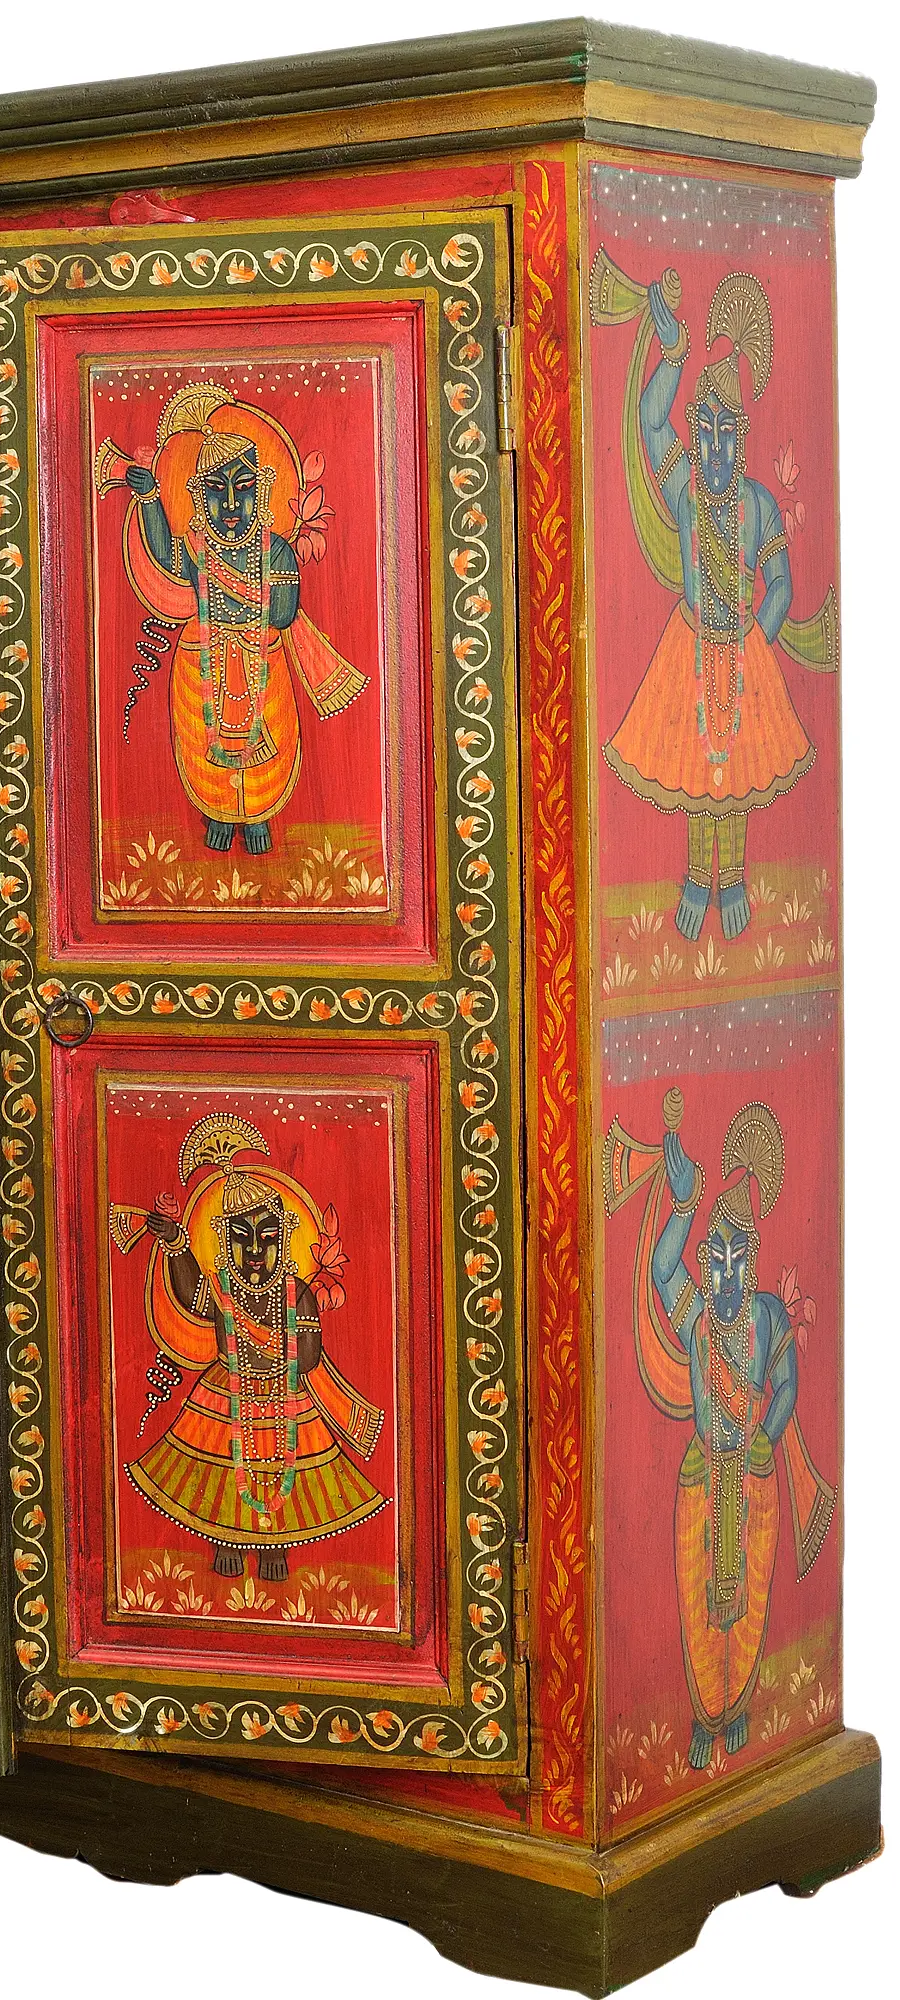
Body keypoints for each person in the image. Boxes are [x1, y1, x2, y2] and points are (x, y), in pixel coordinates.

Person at [606, 1093, 835, 1768]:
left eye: (739, 1260)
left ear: (753, 1260)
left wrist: (768, 1432)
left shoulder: (765, 1317)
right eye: (718, 1259)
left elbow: (788, 1385)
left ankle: (737, 1711)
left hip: (753, 1473)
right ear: (706, 1260)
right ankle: (706, 1715)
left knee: (750, 1599)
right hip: (702, 1474)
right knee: (698, 1601)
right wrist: (683, 1204)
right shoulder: (698, 1318)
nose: (727, 1273)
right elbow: (659, 1269)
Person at [601, 272, 817, 941]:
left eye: (727, 432)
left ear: (741, 436)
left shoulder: (757, 504)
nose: (716, 447)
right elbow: (648, 421)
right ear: (695, 434)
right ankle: (699, 877)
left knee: (742, 762)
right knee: (696, 762)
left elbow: (780, 584)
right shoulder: (686, 494)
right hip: (691, 642)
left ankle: (736, 878)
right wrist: (673, 355)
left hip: (743, 646)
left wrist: (759, 641)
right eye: (706, 431)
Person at [115, 1111, 386, 1583]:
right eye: (243, 1240)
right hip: (227, 1393)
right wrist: (176, 1242)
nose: (256, 1252)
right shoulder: (222, 1289)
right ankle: (227, 1541)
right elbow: (189, 1293)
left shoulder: (297, 1293)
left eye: (267, 1239)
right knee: (223, 1467)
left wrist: (280, 1350)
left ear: (284, 1239)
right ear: (224, 1243)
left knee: (282, 1466)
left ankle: (274, 1548)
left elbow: (310, 1354)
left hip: (285, 1395)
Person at [103, 381, 366, 856]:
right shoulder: (196, 548)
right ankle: (219, 813)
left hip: (262, 659)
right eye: (215, 490)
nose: (229, 505)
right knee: (201, 741)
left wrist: (275, 578)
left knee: (271, 739)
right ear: (198, 496)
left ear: (260, 493)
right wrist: (151, 499)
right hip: (201, 657)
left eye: (242, 490)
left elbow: (282, 615)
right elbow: (163, 554)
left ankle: (259, 816)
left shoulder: (276, 550)